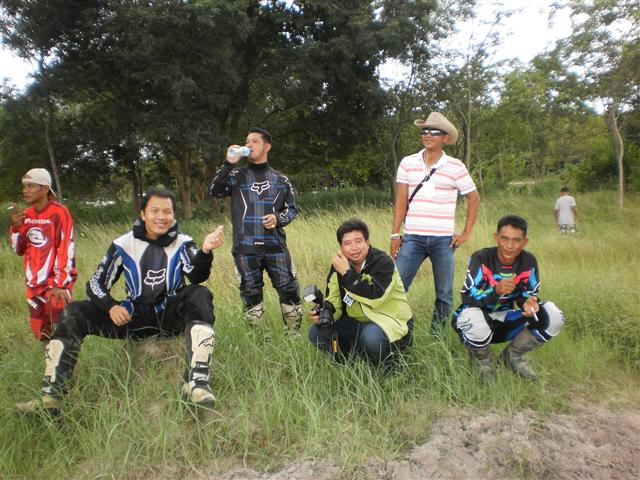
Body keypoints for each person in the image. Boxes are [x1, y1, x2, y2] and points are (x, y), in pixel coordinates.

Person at [16, 188, 224, 413]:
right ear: (143, 214)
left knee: (199, 294)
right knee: (74, 311)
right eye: (154, 211)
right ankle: (51, 396)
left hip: (170, 317)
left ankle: (196, 383)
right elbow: (95, 284)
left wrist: (205, 251)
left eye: (167, 211)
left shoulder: (184, 242)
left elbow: (196, 275)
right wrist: (111, 306)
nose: (161, 217)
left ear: (173, 214)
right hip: (132, 319)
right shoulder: (123, 244)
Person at [390, 112, 480, 331]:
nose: (428, 135)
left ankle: (437, 338)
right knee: (396, 288)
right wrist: (395, 235)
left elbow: (474, 198)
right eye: (425, 131)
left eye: (434, 132)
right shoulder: (408, 163)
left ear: (445, 138)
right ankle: (399, 332)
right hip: (413, 237)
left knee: (444, 294)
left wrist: (466, 233)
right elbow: (401, 201)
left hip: (443, 240)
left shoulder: (456, 166)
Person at [209, 127, 302, 334]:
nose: (248, 144)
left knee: (289, 288)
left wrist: (278, 218)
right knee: (250, 292)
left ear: (266, 146)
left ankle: (293, 335)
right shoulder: (236, 176)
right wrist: (228, 163)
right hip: (244, 248)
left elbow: (292, 209)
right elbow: (215, 191)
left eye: (254, 141)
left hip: (276, 246)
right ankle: (260, 338)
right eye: (246, 141)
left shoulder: (281, 179)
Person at [452, 215, 564, 381]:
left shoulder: (528, 261)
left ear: (525, 242)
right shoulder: (481, 258)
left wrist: (528, 303)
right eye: (504, 238)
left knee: (553, 315)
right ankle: (482, 362)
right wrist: (496, 291)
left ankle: (513, 356)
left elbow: (528, 294)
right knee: (470, 316)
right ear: (496, 237)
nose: (509, 246)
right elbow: (467, 296)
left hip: (506, 320)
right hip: (476, 320)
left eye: (516, 240)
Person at [308, 219, 413, 366]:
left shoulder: (383, 262)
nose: (354, 248)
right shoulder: (339, 265)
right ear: (341, 247)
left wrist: (346, 273)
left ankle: (391, 366)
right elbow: (334, 299)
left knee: (371, 336)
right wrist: (326, 313)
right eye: (347, 243)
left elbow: (376, 297)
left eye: (358, 241)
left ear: (368, 243)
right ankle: (351, 362)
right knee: (317, 332)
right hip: (357, 323)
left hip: (390, 322)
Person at [8, 168, 77, 341]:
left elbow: (66, 247)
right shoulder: (26, 215)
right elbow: (18, 250)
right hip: (33, 285)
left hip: (55, 285)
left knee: (64, 331)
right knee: (40, 331)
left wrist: (60, 284)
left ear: (45, 188)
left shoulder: (59, 212)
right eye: (24, 186)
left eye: (30, 186)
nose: (25, 190)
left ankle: (67, 358)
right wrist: (16, 228)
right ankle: (46, 357)